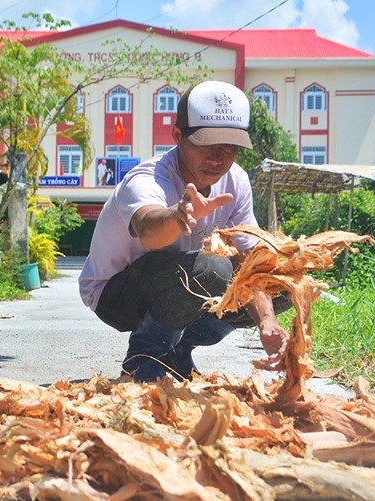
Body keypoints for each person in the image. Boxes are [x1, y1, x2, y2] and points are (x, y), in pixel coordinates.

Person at [79, 80, 291, 383]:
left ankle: (178, 350)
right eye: (207, 144)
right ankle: (145, 356)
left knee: (279, 280)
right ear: (178, 136)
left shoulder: (236, 182)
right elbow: (149, 230)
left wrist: (267, 322)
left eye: (229, 147)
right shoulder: (148, 178)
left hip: (182, 286)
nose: (218, 157)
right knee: (213, 270)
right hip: (115, 295)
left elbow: (249, 262)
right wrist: (177, 218)